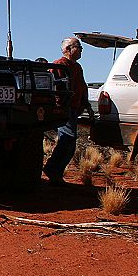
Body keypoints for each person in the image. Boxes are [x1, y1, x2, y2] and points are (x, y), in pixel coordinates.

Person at [43, 36, 92, 185]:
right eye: (79, 46)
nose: (81, 50)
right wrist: (60, 105)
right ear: (68, 49)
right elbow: (54, 87)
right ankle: (53, 169)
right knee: (68, 139)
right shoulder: (59, 65)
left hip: (74, 108)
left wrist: (86, 105)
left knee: (69, 141)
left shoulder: (77, 67)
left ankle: (54, 169)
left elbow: (82, 87)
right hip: (64, 109)